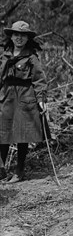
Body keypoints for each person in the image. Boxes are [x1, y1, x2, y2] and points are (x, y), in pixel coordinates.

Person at [0, 21, 48, 183]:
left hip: (25, 97)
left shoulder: (32, 57)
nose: (19, 38)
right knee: (3, 132)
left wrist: (41, 100)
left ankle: (19, 171)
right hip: (6, 97)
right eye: (16, 35)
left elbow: (39, 80)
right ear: (11, 37)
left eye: (22, 35)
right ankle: (1, 171)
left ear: (27, 38)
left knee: (22, 134)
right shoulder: (4, 56)